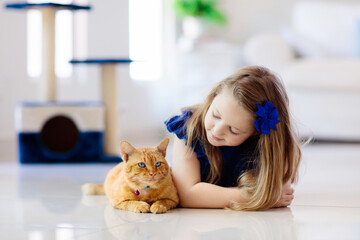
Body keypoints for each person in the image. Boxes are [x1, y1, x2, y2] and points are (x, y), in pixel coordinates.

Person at [164, 66, 302, 211]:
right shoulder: (188, 126)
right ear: (213, 98)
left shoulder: (269, 144)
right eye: (216, 115)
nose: (217, 130)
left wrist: (270, 193)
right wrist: (260, 197)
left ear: (255, 134)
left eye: (233, 130)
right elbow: (187, 195)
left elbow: (280, 190)